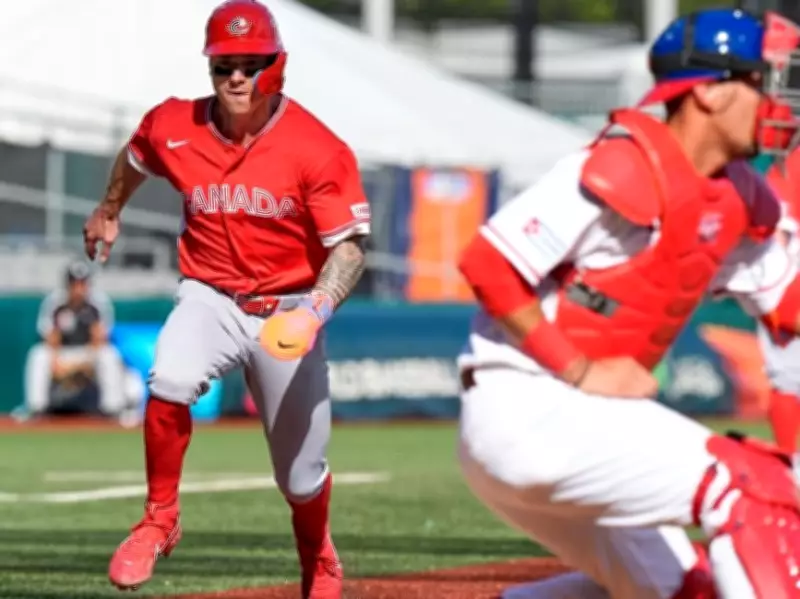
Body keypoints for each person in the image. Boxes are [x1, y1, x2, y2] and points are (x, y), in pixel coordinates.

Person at [456, 8, 800, 599]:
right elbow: (488, 263)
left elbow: (788, 304)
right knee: (751, 486)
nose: (776, 102)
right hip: (526, 409)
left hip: (587, 428)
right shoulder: (623, 165)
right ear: (709, 92)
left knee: (692, 589)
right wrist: (579, 368)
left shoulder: (738, 195)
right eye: (758, 82)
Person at [82, 1, 370, 597]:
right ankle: (159, 519)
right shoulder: (174, 123)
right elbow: (136, 156)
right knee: (170, 377)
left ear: (276, 65)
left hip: (289, 305)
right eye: (223, 66)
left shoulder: (316, 146)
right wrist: (109, 209)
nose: (236, 77)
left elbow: (349, 249)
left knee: (300, 476)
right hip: (210, 293)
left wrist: (315, 310)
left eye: (250, 64)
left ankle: (317, 555)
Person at [22, 260, 127, 419]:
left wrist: (84, 364)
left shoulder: (99, 302)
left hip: (88, 352)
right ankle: (37, 409)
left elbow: (100, 339)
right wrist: (57, 362)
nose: (79, 288)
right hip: (62, 354)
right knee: (38, 354)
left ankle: (112, 410)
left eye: (82, 283)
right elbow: (50, 337)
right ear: (67, 284)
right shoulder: (55, 302)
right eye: (74, 283)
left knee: (109, 354)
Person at [756, 150, 800, 474]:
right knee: (788, 378)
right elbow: (776, 232)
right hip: (790, 282)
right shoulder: (793, 164)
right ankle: (794, 471)